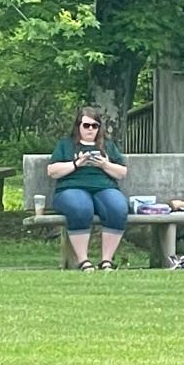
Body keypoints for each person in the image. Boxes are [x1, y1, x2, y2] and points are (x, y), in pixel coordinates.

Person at [47, 107, 129, 271]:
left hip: (104, 187)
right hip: (71, 188)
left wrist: (104, 164)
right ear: (78, 126)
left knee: (118, 208)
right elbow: (52, 171)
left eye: (95, 125)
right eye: (86, 125)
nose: (90, 129)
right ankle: (83, 260)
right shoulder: (66, 145)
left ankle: (107, 261)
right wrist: (77, 164)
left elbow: (122, 172)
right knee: (80, 208)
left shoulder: (107, 145)